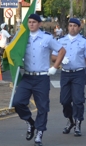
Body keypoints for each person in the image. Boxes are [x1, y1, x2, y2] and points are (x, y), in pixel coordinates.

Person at [12, 14, 66, 146]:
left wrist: (55, 66)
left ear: (39, 24)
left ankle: (39, 133)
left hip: (42, 77)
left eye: (34, 22)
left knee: (42, 107)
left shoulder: (47, 38)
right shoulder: (22, 38)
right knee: (18, 102)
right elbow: (12, 50)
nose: (31, 24)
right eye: (29, 22)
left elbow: (62, 50)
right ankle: (31, 122)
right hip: (27, 76)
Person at [52, 18, 86, 137]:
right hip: (66, 73)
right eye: (70, 25)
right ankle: (70, 120)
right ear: (67, 27)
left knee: (78, 100)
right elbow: (53, 57)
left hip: (78, 73)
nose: (72, 28)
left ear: (79, 28)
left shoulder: (84, 42)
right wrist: (60, 59)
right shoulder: (61, 40)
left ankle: (78, 123)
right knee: (64, 100)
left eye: (75, 26)